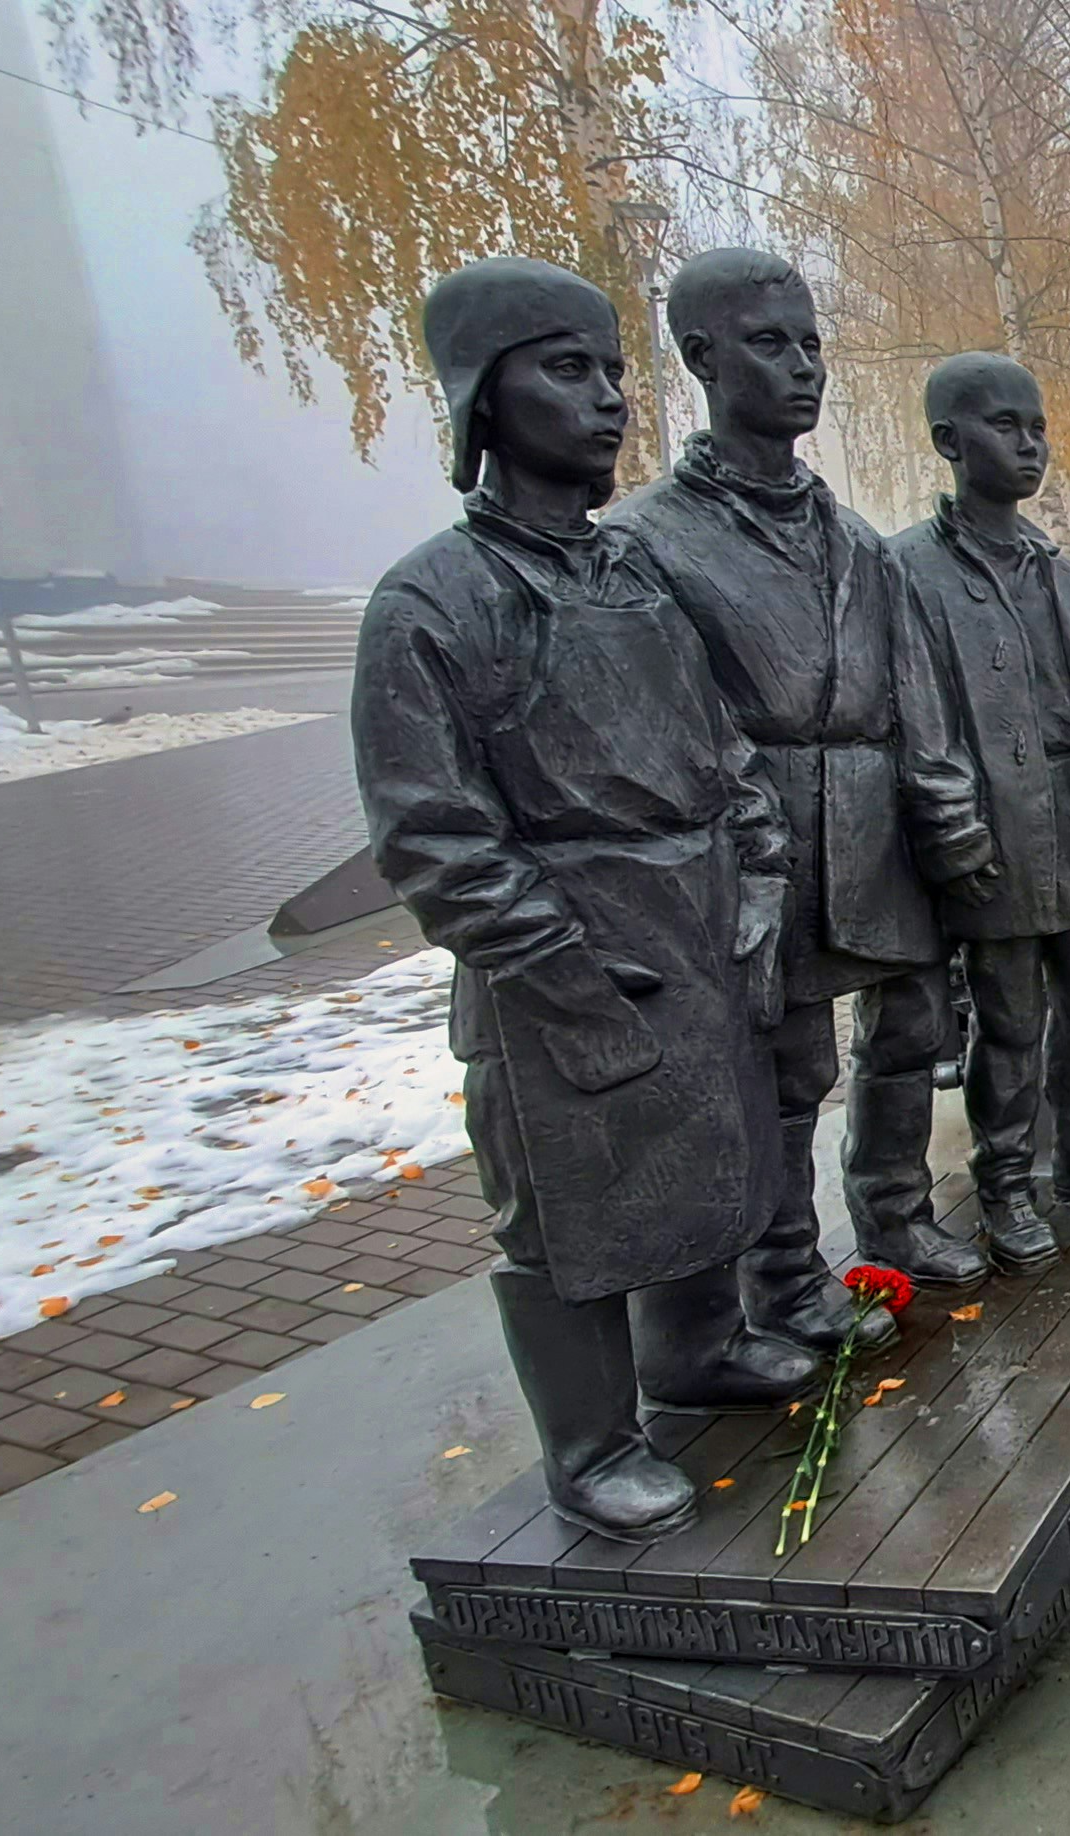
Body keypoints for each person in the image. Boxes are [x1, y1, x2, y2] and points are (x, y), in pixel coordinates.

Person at [351, 256, 812, 1542]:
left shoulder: (636, 577)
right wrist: (562, 970)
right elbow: (435, 839)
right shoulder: (433, 601)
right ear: (482, 397)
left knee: (710, 1150)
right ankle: (590, 1442)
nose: (609, 399)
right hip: (565, 953)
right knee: (566, 1205)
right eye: (569, 369)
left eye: (614, 370)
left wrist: (757, 886)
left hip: (701, 924)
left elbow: (728, 759)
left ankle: (699, 1349)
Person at [610, 250, 998, 1320]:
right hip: (758, 837)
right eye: (770, 345)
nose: (804, 368)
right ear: (701, 358)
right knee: (782, 1067)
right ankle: (782, 1274)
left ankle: (897, 1215)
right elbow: (666, 721)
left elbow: (920, 699)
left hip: (877, 827)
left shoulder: (858, 544)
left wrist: (949, 824)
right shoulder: (648, 542)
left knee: (911, 1027)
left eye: (813, 344)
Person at [891, 353, 1070, 1270]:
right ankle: (1007, 1186)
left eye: (1038, 427)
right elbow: (913, 717)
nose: (1029, 445)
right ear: (947, 441)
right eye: (1005, 426)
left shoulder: (1068, 577)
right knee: (1008, 1025)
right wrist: (953, 828)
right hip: (997, 833)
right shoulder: (908, 575)